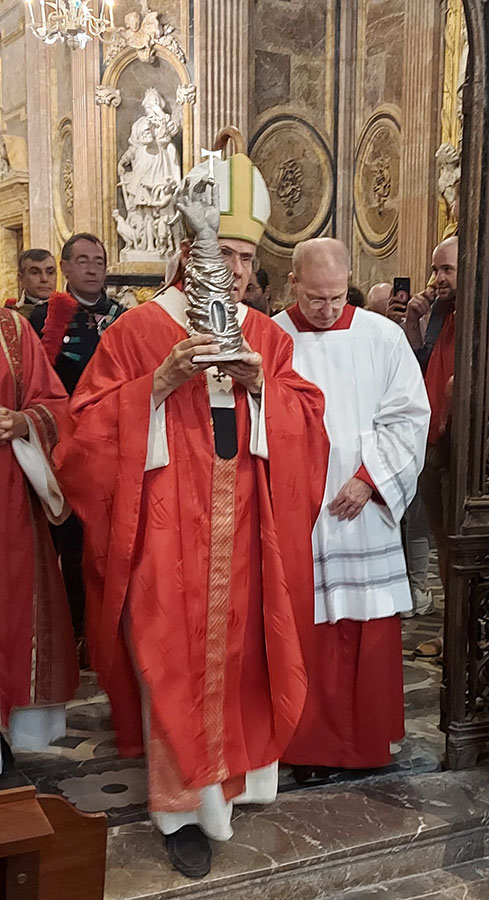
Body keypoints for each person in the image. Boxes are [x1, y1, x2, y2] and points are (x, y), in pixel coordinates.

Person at [55, 150, 328, 877]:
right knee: (170, 660)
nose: (235, 270)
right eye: (225, 253)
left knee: (243, 661)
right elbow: (82, 437)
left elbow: (309, 423)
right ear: (186, 251)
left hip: (248, 532)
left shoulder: (265, 335)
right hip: (165, 531)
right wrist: (156, 383)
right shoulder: (138, 332)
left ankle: (235, 787)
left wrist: (263, 388)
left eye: (246, 257)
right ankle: (180, 812)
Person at [274, 237, 430, 775]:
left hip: (362, 509)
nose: (326, 309)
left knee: (367, 625)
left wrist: (369, 480)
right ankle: (308, 746)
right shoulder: (272, 336)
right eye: (315, 298)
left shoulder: (382, 337)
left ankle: (366, 743)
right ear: (294, 283)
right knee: (306, 628)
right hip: (297, 510)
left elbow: (409, 417)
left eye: (337, 297)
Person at [30, 233, 125, 648]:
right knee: (68, 539)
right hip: (63, 446)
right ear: (65, 267)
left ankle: (107, 626)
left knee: (110, 540)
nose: (92, 269)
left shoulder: (123, 318)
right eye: (82, 261)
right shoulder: (40, 319)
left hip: (113, 446)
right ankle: (75, 629)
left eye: (99, 261)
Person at [0, 308, 78, 775]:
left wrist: (22, 422)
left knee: (10, 604)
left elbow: (56, 403)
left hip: (8, 498)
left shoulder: (11, 330)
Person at [404, 236, 458, 656]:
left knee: (461, 544)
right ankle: (452, 631)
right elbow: (413, 368)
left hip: (462, 444)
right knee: (443, 541)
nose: (438, 278)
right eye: (436, 269)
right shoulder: (440, 314)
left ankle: (462, 634)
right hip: (433, 442)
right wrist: (411, 322)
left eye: (447, 269)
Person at [6, 249, 57, 319]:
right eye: (35, 273)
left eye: (50, 272)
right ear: (21, 278)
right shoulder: (10, 317)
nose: (44, 279)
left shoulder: (70, 313)